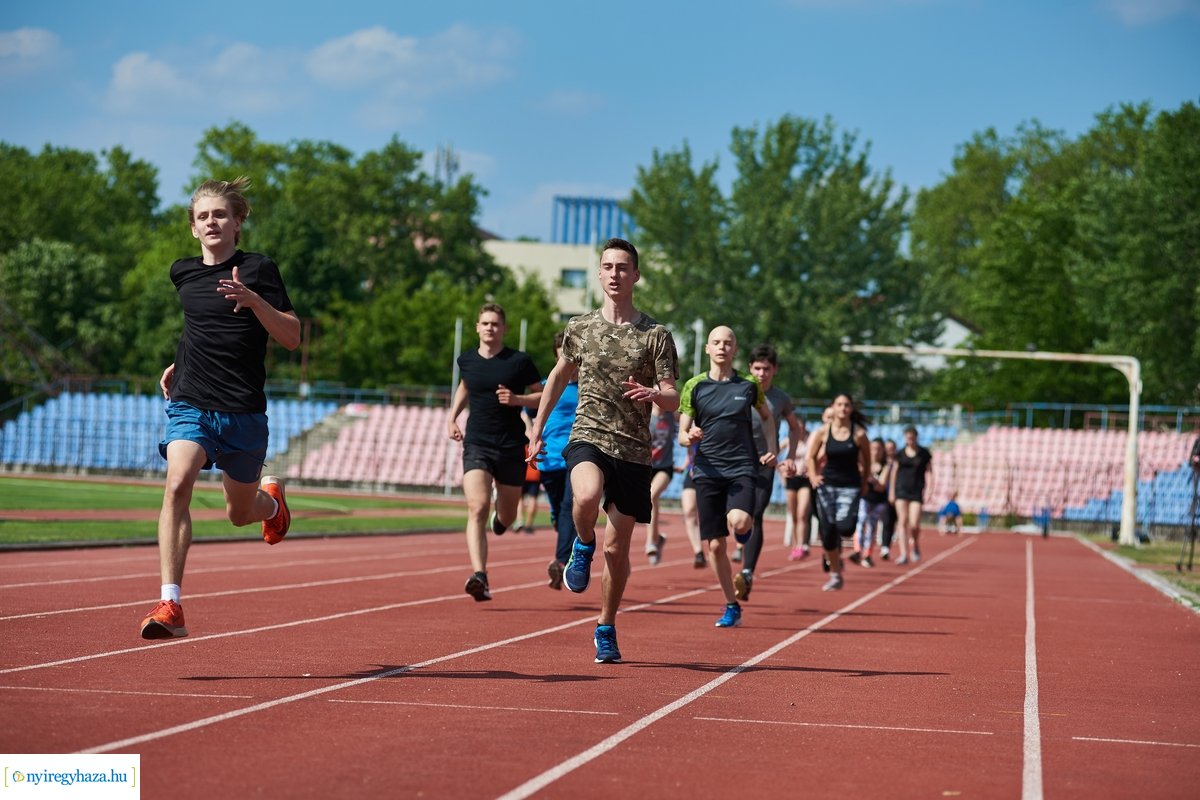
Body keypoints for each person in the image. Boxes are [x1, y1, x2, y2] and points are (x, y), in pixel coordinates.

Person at [139, 177, 300, 640]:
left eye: (221, 214)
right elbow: (200, 325)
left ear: (237, 222)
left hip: (243, 411)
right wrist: (178, 360)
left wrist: (254, 302)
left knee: (238, 512)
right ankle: (171, 603)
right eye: (203, 216)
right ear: (193, 228)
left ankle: (271, 506)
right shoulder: (183, 272)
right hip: (191, 400)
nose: (212, 222)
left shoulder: (258, 269)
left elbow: (291, 337)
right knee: (177, 484)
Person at [528, 238, 679, 664]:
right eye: (607, 266)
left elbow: (673, 396)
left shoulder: (656, 335)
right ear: (599, 273)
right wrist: (537, 429)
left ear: (635, 275)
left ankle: (606, 625)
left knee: (618, 550)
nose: (615, 274)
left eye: (623, 267)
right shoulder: (580, 328)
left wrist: (655, 393)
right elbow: (558, 377)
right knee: (586, 496)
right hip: (588, 435)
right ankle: (582, 541)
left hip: (633, 449)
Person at [677, 326, 777, 628]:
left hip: (741, 467)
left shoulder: (748, 385)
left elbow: (767, 418)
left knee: (740, 521)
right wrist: (689, 435)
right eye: (717, 342)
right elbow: (682, 434)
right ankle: (731, 604)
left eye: (728, 343)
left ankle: (743, 534)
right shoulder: (694, 386)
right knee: (717, 546)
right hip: (707, 471)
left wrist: (772, 448)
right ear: (707, 348)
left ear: (735, 350)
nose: (722, 347)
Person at [446, 303, 542, 602]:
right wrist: (452, 417)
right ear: (477, 327)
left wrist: (517, 399)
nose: (490, 328)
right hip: (477, 443)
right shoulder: (467, 361)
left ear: (504, 329)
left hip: (511, 445)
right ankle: (480, 575)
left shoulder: (519, 361)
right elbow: (465, 387)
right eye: (485, 323)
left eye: (495, 324)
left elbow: (541, 395)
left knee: (507, 517)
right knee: (477, 507)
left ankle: (501, 520)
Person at [737, 344, 801, 601]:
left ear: (774, 370)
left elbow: (796, 429)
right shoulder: (739, 390)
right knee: (738, 516)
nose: (761, 373)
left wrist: (790, 457)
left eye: (766, 369)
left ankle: (747, 571)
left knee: (756, 513)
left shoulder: (781, 399)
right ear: (750, 369)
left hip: (765, 462)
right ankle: (739, 540)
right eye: (757, 368)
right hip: (735, 460)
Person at [805, 394, 870, 591]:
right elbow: (810, 457)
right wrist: (813, 476)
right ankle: (835, 573)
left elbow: (867, 461)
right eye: (839, 404)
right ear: (833, 407)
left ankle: (834, 553)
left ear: (851, 409)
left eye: (847, 405)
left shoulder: (858, 434)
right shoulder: (823, 432)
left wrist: (864, 481)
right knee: (828, 531)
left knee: (846, 527)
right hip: (827, 486)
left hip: (850, 486)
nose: (843, 408)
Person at [539, 330, 580, 590]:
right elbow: (528, 412)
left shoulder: (588, 385)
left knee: (569, 506)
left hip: (576, 453)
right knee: (558, 510)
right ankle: (562, 531)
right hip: (548, 457)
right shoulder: (549, 383)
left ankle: (561, 562)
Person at [889, 425, 933, 565]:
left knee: (914, 524)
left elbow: (930, 472)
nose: (910, 440)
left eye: (912, 438)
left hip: (916, 490)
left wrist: (930, 489)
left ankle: (915, 543)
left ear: (916, 437)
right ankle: (903, 554)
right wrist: (892, 491)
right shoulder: (900, 454)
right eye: (908, 438)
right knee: (902, 521)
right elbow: (894, 472)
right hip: (901, 490)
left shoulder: (924, 453)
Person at [644, 407, 678, 565]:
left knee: (651, 496)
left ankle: (651, 541)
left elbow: (690, 419)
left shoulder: (673, 414)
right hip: (645, 466)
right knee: (652, 500)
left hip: (665, 467)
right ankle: (658, 539)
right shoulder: (646, 413)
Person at [849, 437, 889, 568]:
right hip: (865, 497)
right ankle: (857, 550)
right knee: (861, 520)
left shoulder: (885, 466)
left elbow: (881, 486)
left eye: (878, 449)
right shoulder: (864, 463)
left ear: (883, 451)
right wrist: (870, 479)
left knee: (872, 526)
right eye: (873, 449)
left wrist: (869, 478)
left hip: (879, 501)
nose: (875, 452)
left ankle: (868, 554)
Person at [879, 438, 899, 559]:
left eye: (891, 449)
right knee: (887, 521)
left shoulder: (899, 461)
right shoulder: (881, 462)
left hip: (900, 495)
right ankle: (885, 547)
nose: (889, 451)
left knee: (896, 521)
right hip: (883, 496)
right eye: (887, 449)